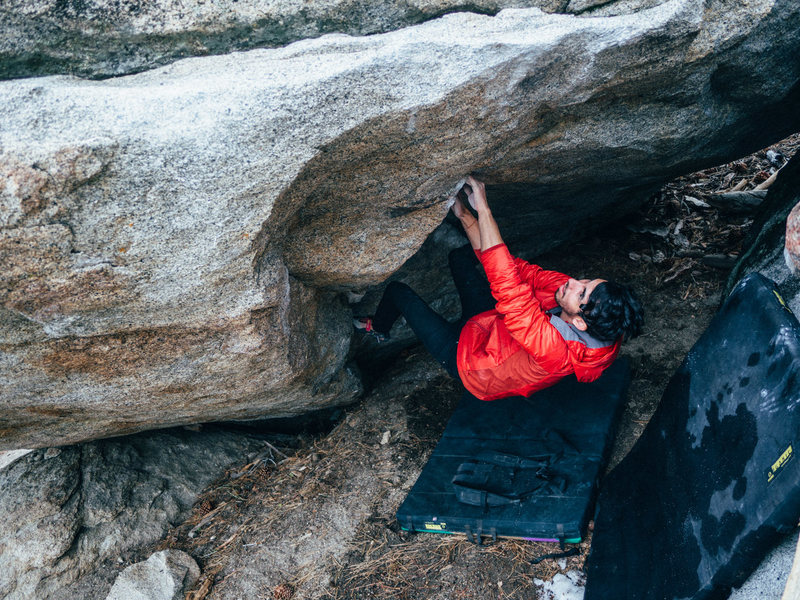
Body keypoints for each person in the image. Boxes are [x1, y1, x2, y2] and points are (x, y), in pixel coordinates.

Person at [355, 176, 643, 400]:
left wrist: (483, 209)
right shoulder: (590, 312)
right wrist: (464, 214)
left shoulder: (556, 351)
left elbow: (509, 288)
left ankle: (378, 328)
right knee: (460, 257)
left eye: (581, 292)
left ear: (579, 322)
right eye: (586, 280)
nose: (574, 282)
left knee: (397, 292)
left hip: (469, 362)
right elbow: (514, 270)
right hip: (493, 325)